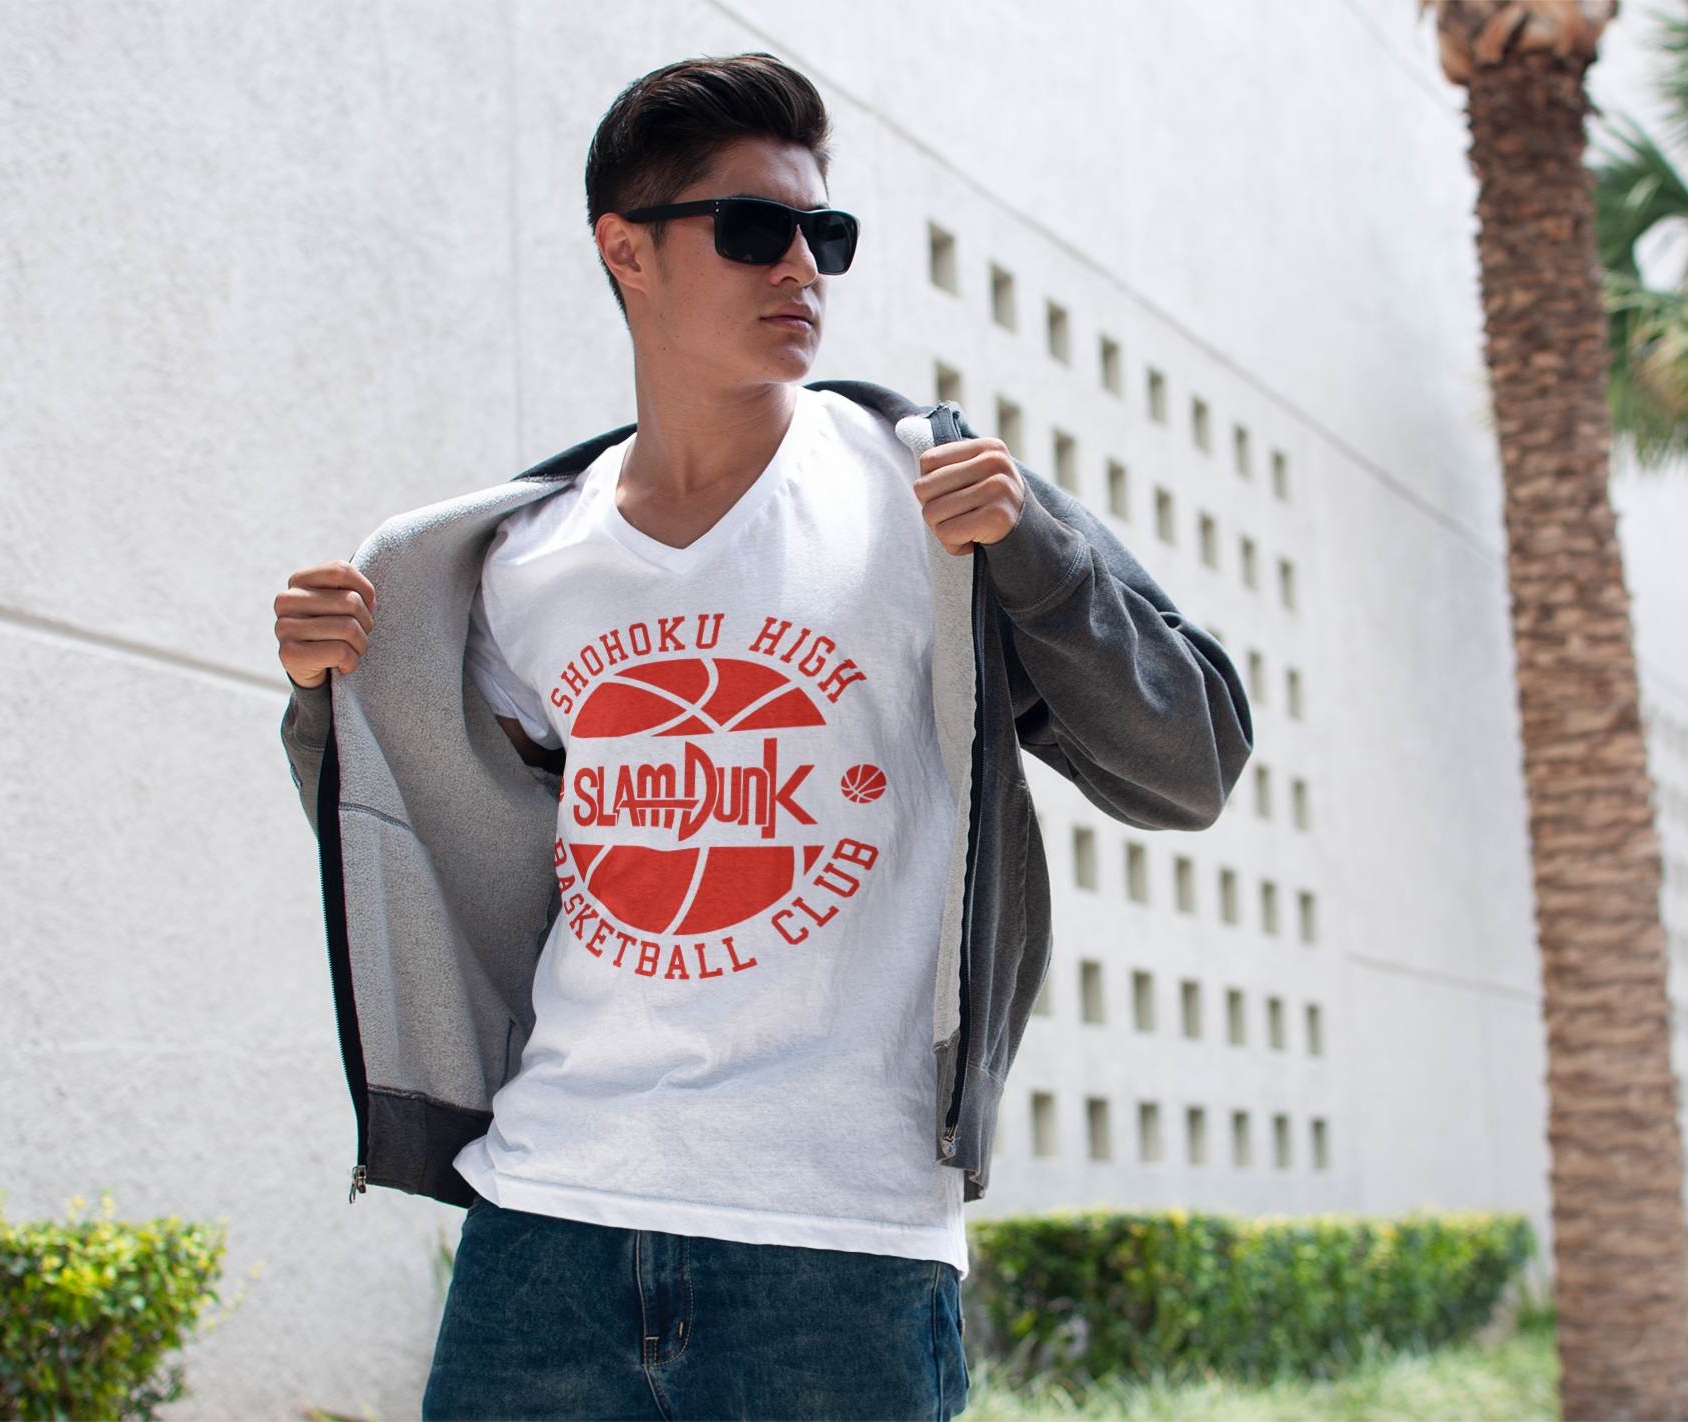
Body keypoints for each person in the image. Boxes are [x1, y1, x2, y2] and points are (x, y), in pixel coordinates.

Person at [273, 53, 1250, 1422]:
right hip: (547, 1217)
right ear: (626, 250)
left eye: (822, 233)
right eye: (752, 228)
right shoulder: (523, 563)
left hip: (838, 1246)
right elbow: (435, 839)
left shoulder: (924, 489)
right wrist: (333, 695)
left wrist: (1037, 556)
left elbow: (1192, 761)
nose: (800, 265)